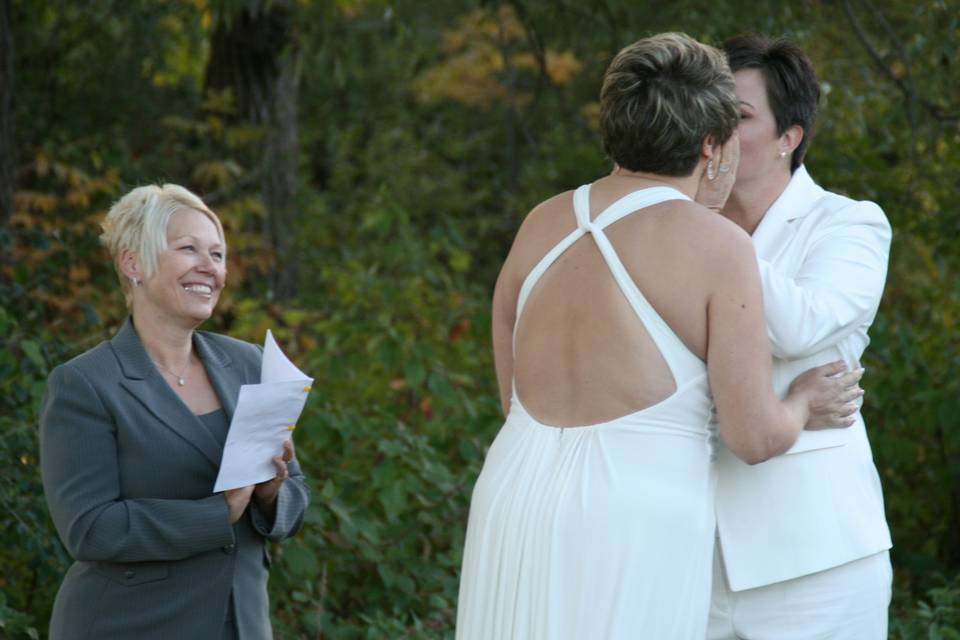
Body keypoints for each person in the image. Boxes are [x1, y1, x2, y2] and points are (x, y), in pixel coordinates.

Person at [455, 33, 863, 639]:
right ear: (709, 143)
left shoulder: (542, 221)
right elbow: (751, 435)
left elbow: (513, 398)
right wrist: (803, 402)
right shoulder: (716, 245)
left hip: (513, 495)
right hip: (633, 515)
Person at [39, 184, 309, 640]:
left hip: (242, 625)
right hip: (128, 626)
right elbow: (90, 529)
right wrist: (216, 514)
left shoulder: (249, 364)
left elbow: (295, 498)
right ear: (133, 263)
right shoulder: (85, 384)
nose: (211, 268)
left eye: (218, 255)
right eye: (189, 249)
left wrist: (270, 493)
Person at [708, 34, 893, 639]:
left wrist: (702, 233)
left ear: (790, 138)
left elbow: (801, 326)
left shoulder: (849, 223)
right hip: (690, 555)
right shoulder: (681, 228)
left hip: (817, 561)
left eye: (736, 117)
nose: (713, 133)